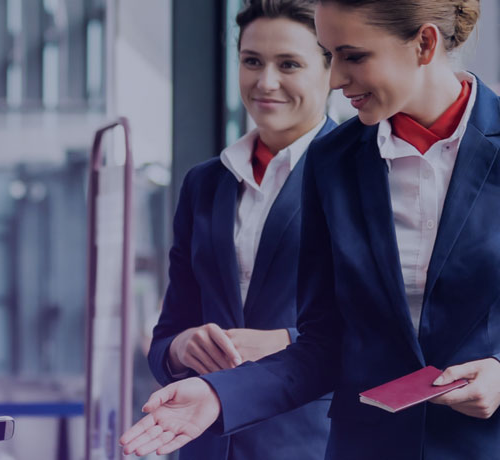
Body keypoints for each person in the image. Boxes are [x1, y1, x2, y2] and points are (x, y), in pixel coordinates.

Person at [123, 0, 500, 458]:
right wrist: (218, 395)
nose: (336, 77)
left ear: (424, 44)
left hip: (498, 447)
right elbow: (324, 343)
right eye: (328, 54)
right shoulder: (333, 161)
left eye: (353, 55)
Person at [144, 0, 336, 458]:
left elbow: (383, 329)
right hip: (204, 444)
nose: (265, 82)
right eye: (252, 61)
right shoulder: (205, 183)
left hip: (308, 442)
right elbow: (167, 334)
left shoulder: (360, 175)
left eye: (289, 64)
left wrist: (286, 341)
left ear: (332, 70)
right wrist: (182, 347)